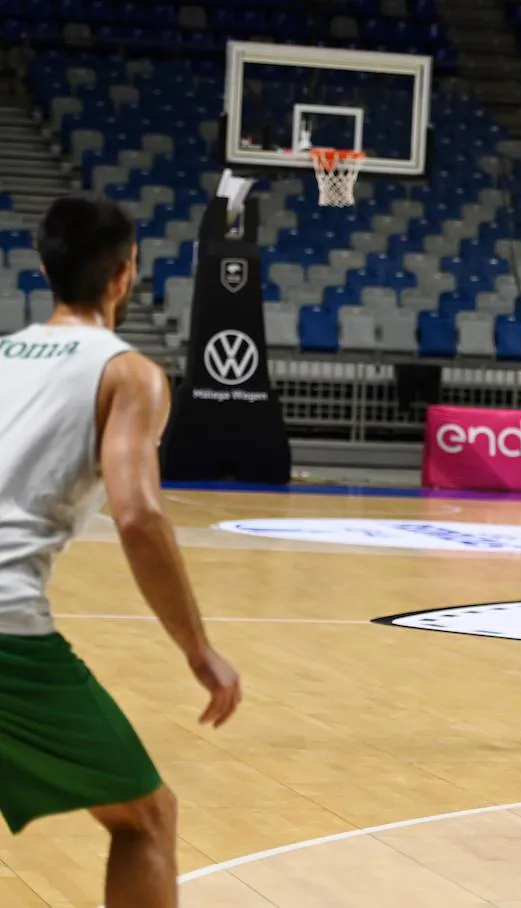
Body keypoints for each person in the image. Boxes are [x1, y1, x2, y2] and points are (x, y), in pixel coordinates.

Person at [0, 195, 242, 907]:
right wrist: (199, 651)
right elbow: (137, 515)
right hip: (8, 634)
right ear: (124, 275)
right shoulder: (127, 372)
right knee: (147, 816)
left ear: (44, 270)